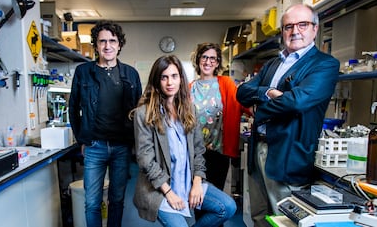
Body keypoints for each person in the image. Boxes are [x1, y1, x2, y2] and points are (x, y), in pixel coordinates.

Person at [236, 4, 340, 226]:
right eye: (288, 26)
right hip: (258, 149)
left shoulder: (324, 64)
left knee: (285, 220)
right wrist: (267, 92)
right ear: (282, 32)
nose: (295, 31)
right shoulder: (273, 64)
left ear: (315, 28)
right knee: (259, 217)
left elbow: (297, 102)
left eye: (302, 24)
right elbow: (242, 92)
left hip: (288, 155)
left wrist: (259, 109)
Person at [131, 55, 236, 227]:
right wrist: (169, 193)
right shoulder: (144, 114)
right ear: (156, 81)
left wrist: (196, 183)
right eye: (163, 77)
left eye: (174, 76)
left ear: (181, 78)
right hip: (161, 189)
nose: (169, 82)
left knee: (228, 207)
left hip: (188, 182)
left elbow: (198, 150)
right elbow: (145, 160)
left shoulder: (189, 109)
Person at [69, 20, 142, 227]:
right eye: (102, 41)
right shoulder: (83, 72)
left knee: (116, 200)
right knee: (92, 202)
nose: (107, 46)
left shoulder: (131, 74)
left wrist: (137, 144)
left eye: (112, 41)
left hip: (122, 146)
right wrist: (81, 139)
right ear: (96, 45)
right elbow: (73, 108)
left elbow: (139, 112)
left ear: (119, 45)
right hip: (94, 146)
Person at [189, 42, 252, 191]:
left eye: (213, 58)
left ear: (217, 63)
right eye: (204, 57)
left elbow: (242, 103)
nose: (208, 62)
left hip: (218, 152)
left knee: (215, 194)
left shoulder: (225, 83)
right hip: (195, 152)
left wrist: (266, 110)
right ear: (198, 59)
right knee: (197, 196)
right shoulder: (189, 88)